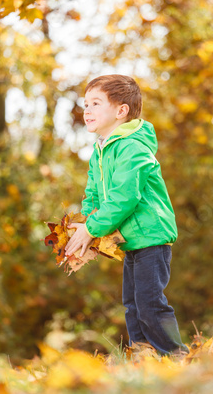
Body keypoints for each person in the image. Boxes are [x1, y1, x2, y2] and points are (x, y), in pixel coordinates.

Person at [65, 74, 189, 356]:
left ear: (121, 111)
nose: (87, 110)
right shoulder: (100, 150)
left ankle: (175, 354)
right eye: (86, 104)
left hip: (150, 235)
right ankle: (143, 355)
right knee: (133, 303)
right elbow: (93, 194)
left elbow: (124, 197)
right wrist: (85, 224)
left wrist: (92, 228)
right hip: (130, 239)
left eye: (96, 103)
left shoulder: (133, 147)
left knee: (149, 302)